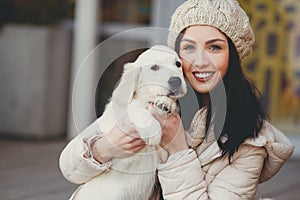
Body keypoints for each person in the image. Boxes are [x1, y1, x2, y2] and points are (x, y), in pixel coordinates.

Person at [59, 0, 295, 199]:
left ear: (233, 56)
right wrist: (106, 147)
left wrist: (177, 149)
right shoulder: (153, 100)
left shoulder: (251, 141)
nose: (201, 61)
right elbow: (70, 168)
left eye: (214, 47)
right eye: (189, 47)